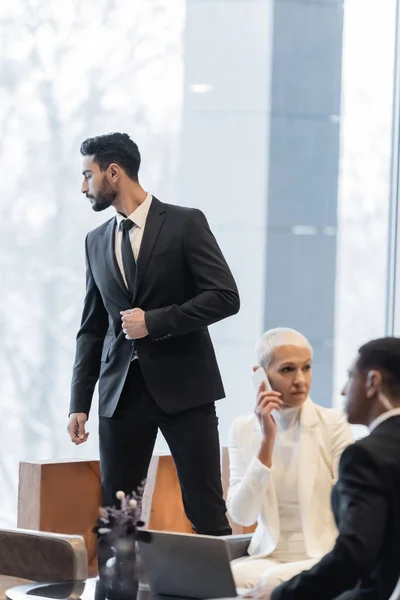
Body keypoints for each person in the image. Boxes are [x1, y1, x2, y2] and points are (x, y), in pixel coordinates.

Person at [67, 132, 239, 537]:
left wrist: (154, 322)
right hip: (120, 396)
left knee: (206, 509)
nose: (82, 187)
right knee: (117, 520)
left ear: (114, 172)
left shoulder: (184, 222)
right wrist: (80, 402)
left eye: (87, 175)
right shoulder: (95, 241)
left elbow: (225, 297)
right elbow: (92, 328)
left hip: (186, 390)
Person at [255, 337, 400, 600]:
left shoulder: (365, 455)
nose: (344, 391)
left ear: (372, 382)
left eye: (350, 377)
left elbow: (355, 556)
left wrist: (282, 595)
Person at [227, 328, 353, 589]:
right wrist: (266, 441)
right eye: (287, 370)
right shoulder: (242, 428)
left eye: (306, 368)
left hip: (321, 555)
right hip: (268, 556)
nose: (300, 380)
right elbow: (242, 515)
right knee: (217, 577)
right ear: (259, 375)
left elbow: (350, 504)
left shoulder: (334, 423)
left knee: (271, 582)